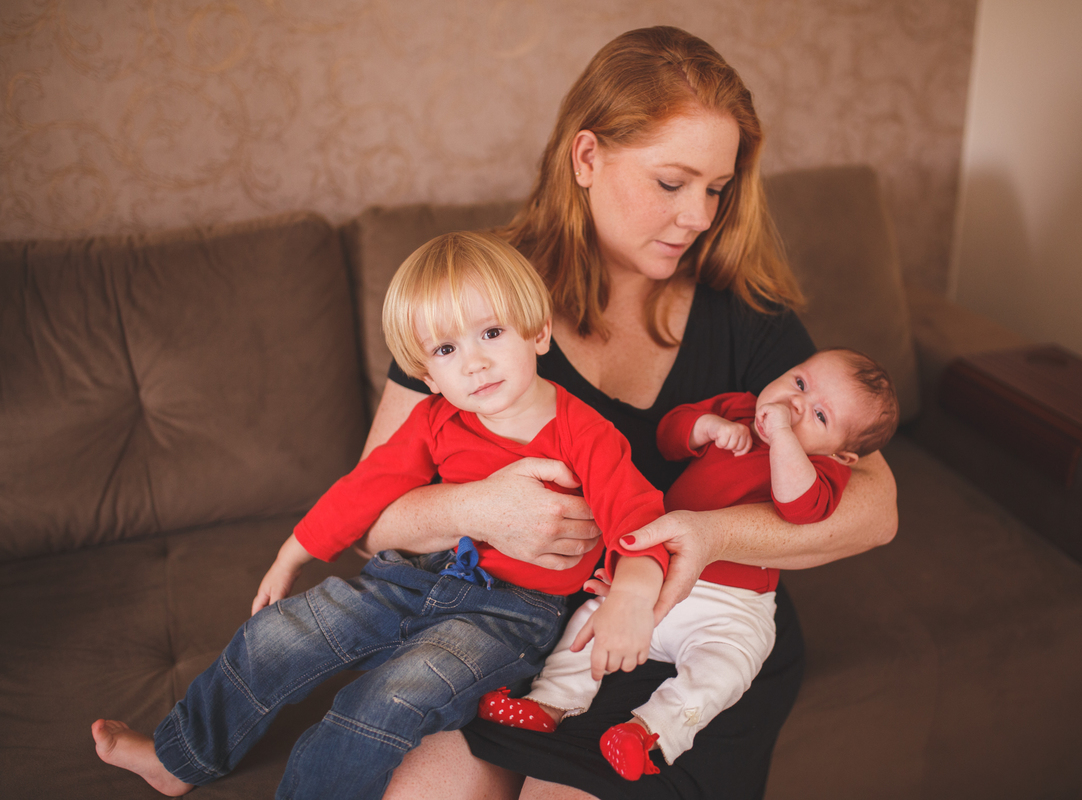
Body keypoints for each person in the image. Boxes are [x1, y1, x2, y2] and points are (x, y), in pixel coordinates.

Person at [369, 25, 898, 800]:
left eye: (716, 189)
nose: (697, 217)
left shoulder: (748, 316)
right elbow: (374, 519)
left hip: (699, 637)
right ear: (587, 158)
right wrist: (485, 508)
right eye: (671, 183)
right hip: (532, 629)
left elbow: (876, 509)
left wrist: (706, 534)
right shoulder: (481, 305)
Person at [90, 231, 674, 800]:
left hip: (508, 617)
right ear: (427, 376)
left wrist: (630, 595)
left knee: (388, 697)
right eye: (446, 350)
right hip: (407, 577)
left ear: (538, 331)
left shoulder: (587, 434)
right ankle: (180, 758)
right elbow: (365, 488)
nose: (473, 364)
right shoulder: (435, 421)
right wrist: (293, 551)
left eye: (491, 333)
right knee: (271, 637)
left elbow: (637, 516)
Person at [476, 348, 900, 780]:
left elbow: (800, 507)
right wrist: (707, 427)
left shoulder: (825, 471)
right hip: (657, 572)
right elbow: (669, 433)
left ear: (843, 455)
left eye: (819, 416)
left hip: (733, 606)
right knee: (591, 622)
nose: (795, 404)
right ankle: (549, 702)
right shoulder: (740, 408)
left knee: (723, 669)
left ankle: (648, 733)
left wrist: (785, 439)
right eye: (799, 383)